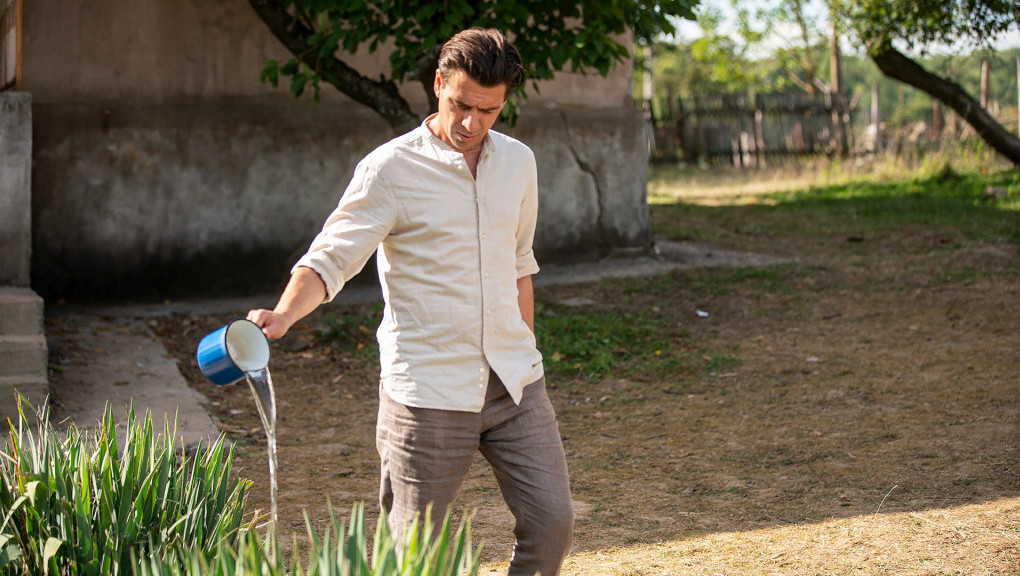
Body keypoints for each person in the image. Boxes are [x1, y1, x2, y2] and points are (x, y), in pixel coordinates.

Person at [247, 28, 574, 576]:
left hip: (515, 384)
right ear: (438, 84)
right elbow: (331, 257)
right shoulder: (390, 169)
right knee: (413, 558)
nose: (472, 124)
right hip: (428, 393)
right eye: (461, 105)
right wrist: (282, 315)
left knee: (552, 524)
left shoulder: (519, 163)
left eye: (488, 111)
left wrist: (525, 346)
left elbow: (520, 263)